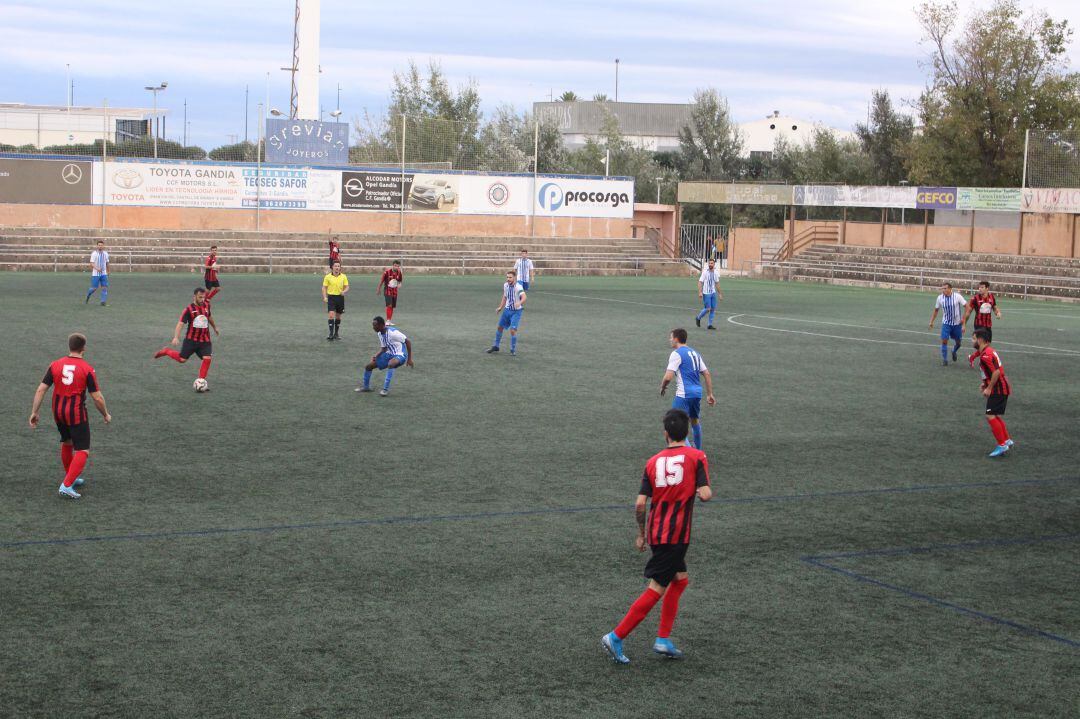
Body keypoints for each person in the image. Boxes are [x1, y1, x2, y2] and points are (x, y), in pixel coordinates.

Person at [602, 409, 712, 664]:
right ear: (686, 432)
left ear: (665, 433)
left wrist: (642, 534)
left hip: (658, 533)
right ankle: (616, 636)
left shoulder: (652, 462)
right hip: (677, 536)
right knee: (656, 589)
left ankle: (663, 639)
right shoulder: (696, 457)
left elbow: (641, 503)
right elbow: (705, 494)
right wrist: (698, 491)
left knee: (680, 580)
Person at [28, 333, 112, 499]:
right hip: (76, 413)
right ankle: (66, 485)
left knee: (67, 442)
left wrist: (34, 412)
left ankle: (70, 478)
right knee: (82, 449)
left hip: (58, 412)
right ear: (84, 349)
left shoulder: (55, 365)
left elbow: (41, 389)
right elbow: (97, 397)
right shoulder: (87, 369)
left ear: (69, 347)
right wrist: (106, 414)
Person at [661, 328, 715, 450]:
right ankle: (699, 451)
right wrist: (709, 394)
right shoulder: (695, 353)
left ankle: (691, 454)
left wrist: (663, 386)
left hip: (684, 394)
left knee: (677, 424)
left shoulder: (676, 354)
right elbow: (706, 373)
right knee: (695, 421)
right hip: (697, 394)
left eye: (671, 337)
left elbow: (668, 376)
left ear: (676, 339)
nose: (670, 340)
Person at [153, 288, 218, 384]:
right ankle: (166, 351)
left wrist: (215, 327)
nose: (202, 299)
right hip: (191, 340)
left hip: (205, 340)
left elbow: (209, 317)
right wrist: (176, 337)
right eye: (200, 297)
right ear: (194, 296)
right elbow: (180, 324)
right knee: (182, 359)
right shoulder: (188, 310)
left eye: (203, 297)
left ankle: (201, 381)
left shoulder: (206, 306)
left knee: (207, 359)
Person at [972, 328, 1014, 457]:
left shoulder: (985, 355)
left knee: (990, 415)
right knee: (994, 414)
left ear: (980, 339)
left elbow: (996, 372)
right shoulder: (988, 351)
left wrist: (989, 387)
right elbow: (991, 372)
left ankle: (1002, 445)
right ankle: (1006, 440)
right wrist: (985, 384)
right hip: (1002, 386)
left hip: (998, 388)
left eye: (974, 338)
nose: (972, 341)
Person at [357, 316, 414, 396]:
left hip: (400, 355)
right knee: (368, 366)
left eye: (375, 325)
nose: (373, 327)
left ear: (381, 325)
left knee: (391, 364)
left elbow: (408, 342)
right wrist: (376, 355)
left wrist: (409, 359)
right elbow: (384, 348)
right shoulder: (380, 333)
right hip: (388, 354)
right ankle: (366, 387)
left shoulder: (393, 333)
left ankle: (385, 390)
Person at [486, 270, 526, 356]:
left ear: (514, 278)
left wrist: (519, 303)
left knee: (512, 330)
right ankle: (496, 346)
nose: (508, 279)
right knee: (500, 327)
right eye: (507, 277)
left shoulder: (518, 287)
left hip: (516, 312)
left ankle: (513, 349)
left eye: (510, 277)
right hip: (507, 310)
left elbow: (524, 297)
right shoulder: (506, 285)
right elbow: (505, 297)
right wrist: (500, 307)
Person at [928, 282, 967, 366]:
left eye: (945, 288)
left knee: (958, 343)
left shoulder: (957, 296)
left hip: (957, 324)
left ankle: (954, 351)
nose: (943, 290)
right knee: (944, 341)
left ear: (950, 289)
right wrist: (931, 321)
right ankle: (945, 360)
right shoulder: (940, 298)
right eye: (942, 288)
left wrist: (963, 320)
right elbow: (936, 310)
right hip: (946, 323)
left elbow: (967, 306)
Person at [322, 261, 349, 341]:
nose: (337, 267)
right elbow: (324, 287)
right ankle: (330, 334)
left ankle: (336, 334)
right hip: (331, 298)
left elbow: (347, 286)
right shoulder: (327, 277)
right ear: (332, 267)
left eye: (338, 266)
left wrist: (344, 291)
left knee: (338, 316)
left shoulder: (343, 276)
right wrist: (324, 297)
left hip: (340, 298)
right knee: (331, 315)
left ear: (340, 267)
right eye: (335, 266)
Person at [694, 258, 723, 330]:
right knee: (708, 308)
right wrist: (700, 292)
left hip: (713, 292)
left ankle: (709, 325)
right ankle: (698, 318)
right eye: (709, 263)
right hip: (706, 293)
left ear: (714, 264)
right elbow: (700, 282)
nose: (710, 264)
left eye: (712, 263)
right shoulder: (705, 272)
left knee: (713, 309)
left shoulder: (716, 273)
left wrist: (719, 294)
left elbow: (717, 283)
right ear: (708, 264)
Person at [85, 240, 110, 305]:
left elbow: (107, 263)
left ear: (103, 246)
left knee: (104, 287)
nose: (100, 246)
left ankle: (103, 302)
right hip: (96, 274)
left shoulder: (106, 254)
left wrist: (108, 271)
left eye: (101, 245)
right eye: (99, 245)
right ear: (97, 246)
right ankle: (88, 294)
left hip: (104, 274)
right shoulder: (94, 253)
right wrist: (97, 269)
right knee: (94, 288)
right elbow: (92, 263)